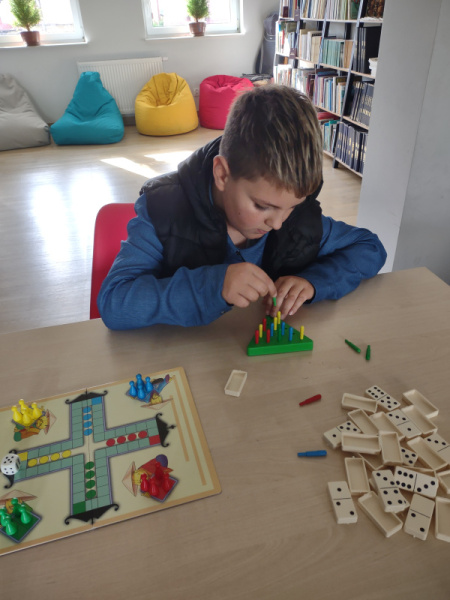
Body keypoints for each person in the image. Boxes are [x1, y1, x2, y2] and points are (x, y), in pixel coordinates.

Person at [98, 85, 386, 330]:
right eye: (262, 206)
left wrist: (313, 282)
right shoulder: (163, 211)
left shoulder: (298, 219)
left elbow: (370, 247)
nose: (278, 224)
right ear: (222, 175)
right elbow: (114, 302)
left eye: (292, 207)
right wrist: (213, 286)